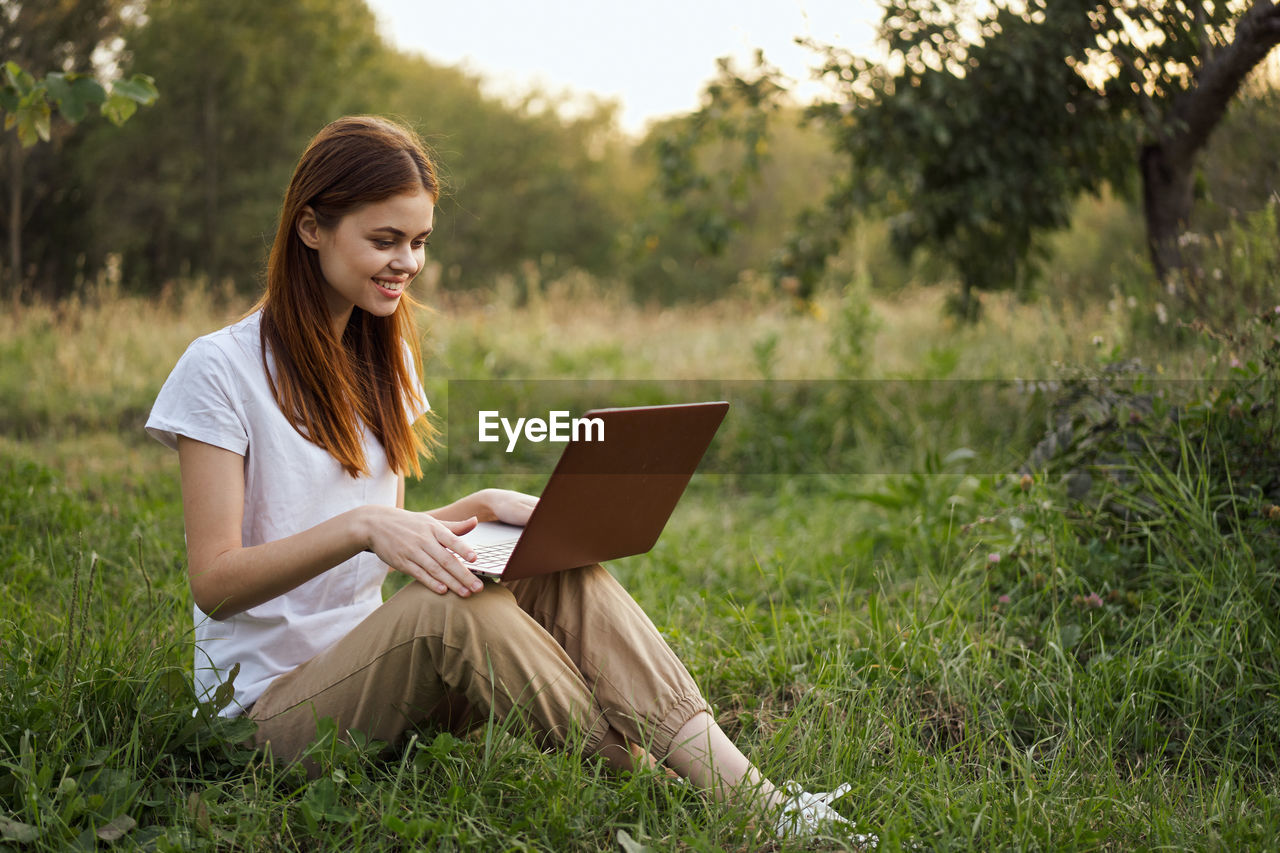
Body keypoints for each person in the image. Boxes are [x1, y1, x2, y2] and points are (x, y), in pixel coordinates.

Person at [146, 115, 874, 844]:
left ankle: (758, 795)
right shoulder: (221, 369)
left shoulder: (382, 359)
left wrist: (482, 507)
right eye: (385, 240)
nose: (408, 262)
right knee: (454, 609)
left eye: (420, 241)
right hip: (267, 716)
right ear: (311, 228)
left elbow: (379, 527)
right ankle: (673, 788)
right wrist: (363, 528)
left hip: (372, 665)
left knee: (558, 566)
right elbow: (217, 580)